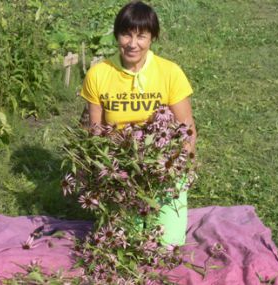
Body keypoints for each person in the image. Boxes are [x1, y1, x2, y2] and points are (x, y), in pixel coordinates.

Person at [80, 1, 196, 246]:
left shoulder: (169, 72)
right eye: (126, 34)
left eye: (141, 36)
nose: (132, 44)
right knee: (128, 242)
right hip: (121, 166)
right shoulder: (99, 74)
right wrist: (112, 170)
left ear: (152, 37)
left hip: (163, 164)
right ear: (116, 36)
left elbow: (188, 132)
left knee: (167, 246)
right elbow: (96, 132)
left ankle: (169, 209)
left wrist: (171, 168)